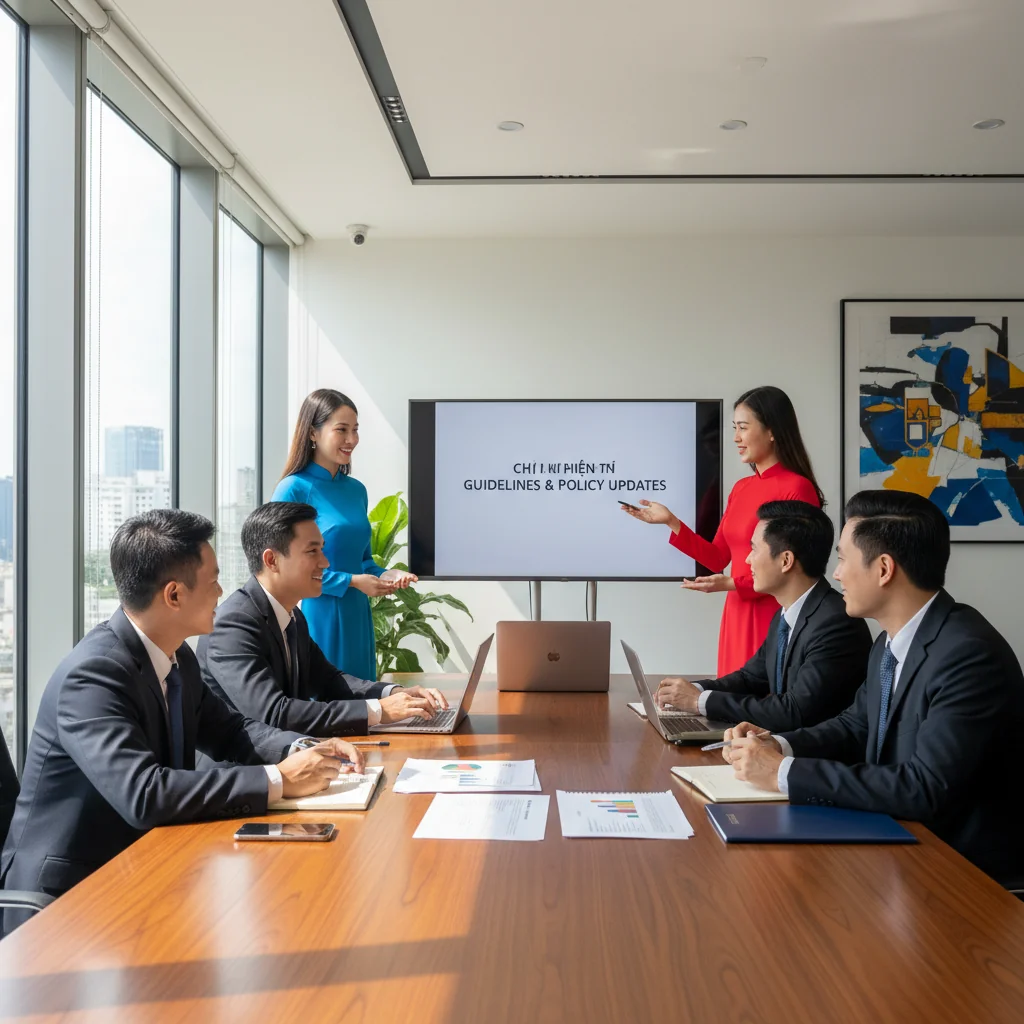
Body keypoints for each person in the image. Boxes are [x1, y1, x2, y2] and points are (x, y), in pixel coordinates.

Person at [0, 510, 364, 933]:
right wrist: (278, 779)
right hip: (64, 901)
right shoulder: (94, 674)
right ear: (173, 595)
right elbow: (144, 793)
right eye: (213, 581)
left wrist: (303, 749)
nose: (222, 592)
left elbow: (231, 731)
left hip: (141, 868)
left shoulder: (176, 656)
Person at [724, 490, 1024, 890]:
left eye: (843, 559)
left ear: (883, 569)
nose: (836, 574)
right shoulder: (889, 641)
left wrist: (782, 773)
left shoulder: (968, 655)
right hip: (899, 849)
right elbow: (855, 725)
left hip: (964, 877)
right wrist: (777, 744)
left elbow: (923, 788)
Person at [199, 501, 449, 734]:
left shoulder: (292, 616)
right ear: (272, 560)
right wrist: (379, 711)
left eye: (322, 550)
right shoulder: (233, 625)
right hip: (251, 766)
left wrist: (393, 693)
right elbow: (274, 713)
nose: (325, 562)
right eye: (312, 551)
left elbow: (330, 681)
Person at [625, 386, 823, 676]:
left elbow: (793, 569)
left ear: (771, 431)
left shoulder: (797, 488)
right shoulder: (741, 488)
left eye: (743, 427)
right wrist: (671, 522)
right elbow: (717, 558)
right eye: (734, 428)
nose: (735, 438)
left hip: (773, 614)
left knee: (761, 697)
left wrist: (732, 583)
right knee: (731, 694)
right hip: (736, 612)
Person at [654, 501, 871, 732]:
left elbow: (794, 712)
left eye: (754, 549)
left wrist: (699, 702)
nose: (748, 559)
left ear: (786, 560)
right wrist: (691, 690)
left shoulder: (835, 623)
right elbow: (750, 679)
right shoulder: (785, 615)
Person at [273, 389, 414, 680]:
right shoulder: (293, 489)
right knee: (328, 698)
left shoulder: (356, 490)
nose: (351, 439)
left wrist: (386, 574)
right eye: (341, 430)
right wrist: (352, 582)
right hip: (319, 615)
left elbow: (363, 561)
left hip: (357, 616)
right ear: (313, 433)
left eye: (355, 430)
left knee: (365, 697)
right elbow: (284, 568)